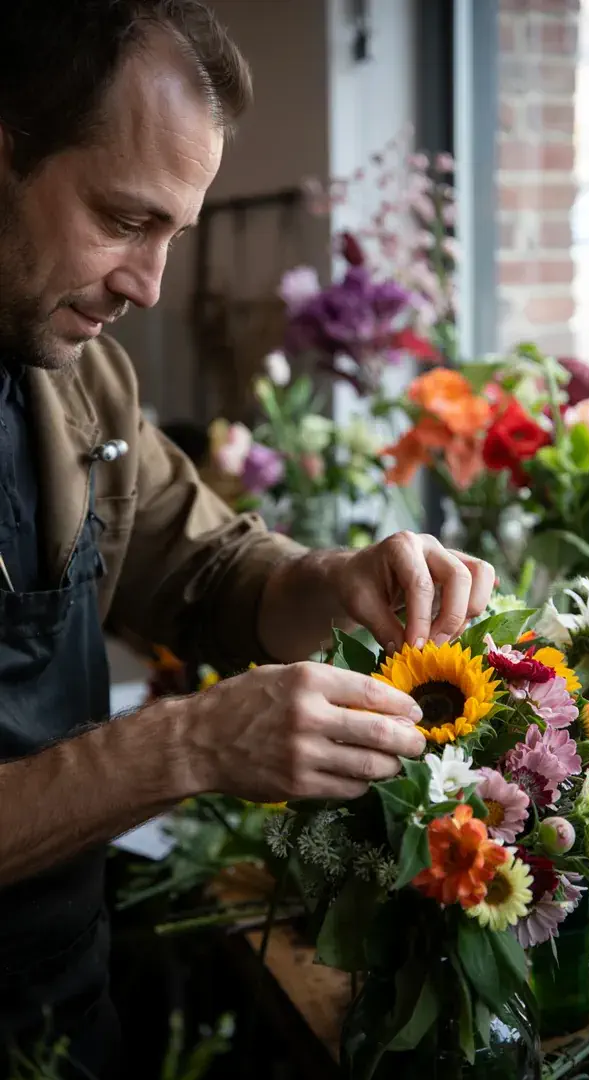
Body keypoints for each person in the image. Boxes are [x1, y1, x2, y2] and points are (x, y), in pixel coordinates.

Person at [0, 2, 494, 1075]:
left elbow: (206, 568)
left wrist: (337, 579)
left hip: (63, 1000)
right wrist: (190, 746)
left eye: (173, 235)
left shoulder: (81, 381)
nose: (149, 286)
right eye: (124, 219)